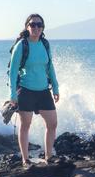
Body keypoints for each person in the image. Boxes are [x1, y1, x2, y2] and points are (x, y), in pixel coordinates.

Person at [9, 14, 59, 168]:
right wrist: (12, 94)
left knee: (52, 123)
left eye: (39, 25)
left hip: (44, 90)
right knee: (26, 125)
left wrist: (56, 87)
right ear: (27, 26)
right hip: (25, 90)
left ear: (43, 27)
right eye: (33, 25)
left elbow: (49, 66)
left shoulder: (45, 44)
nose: (36, 28)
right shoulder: (21, 45)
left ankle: (49, 156)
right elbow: (13, 71)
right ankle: (25, 159)